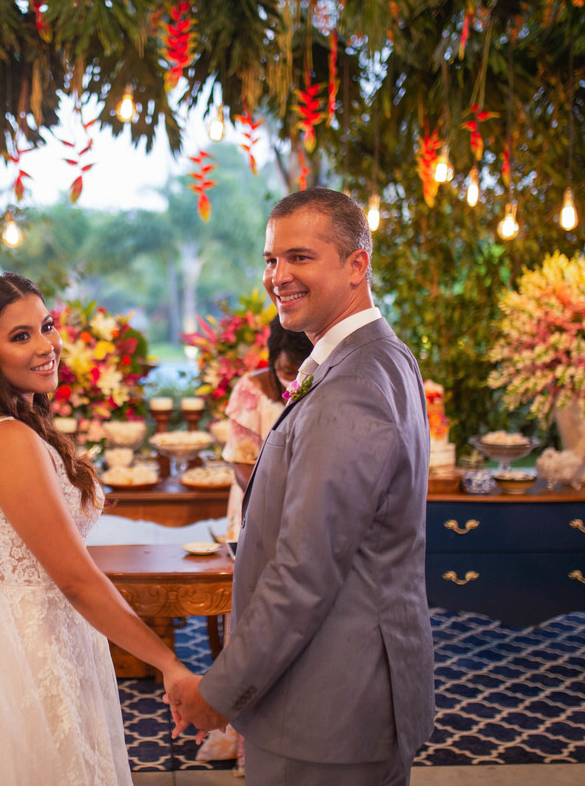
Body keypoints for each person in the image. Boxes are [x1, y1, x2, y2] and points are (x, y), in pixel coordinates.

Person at [169, 188, 435, 785]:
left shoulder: (355, 380)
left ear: (356, 264)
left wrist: (225, 689)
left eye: (300, 258)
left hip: (329, 703)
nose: (278, 276)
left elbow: (306, 566)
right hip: (344, 690)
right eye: (270, 260)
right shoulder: (376, 357)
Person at [0, 273, 194, 784]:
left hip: (13, 626)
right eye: (20, 336)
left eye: (46, 326)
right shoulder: (7, 439)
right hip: (27, 647)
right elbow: (75, 579)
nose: (47, 345)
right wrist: (168, 663)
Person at [221, 316, 313, 540]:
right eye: (288, 371)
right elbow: (241, 463)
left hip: (307, 508)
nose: (295, 382)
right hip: (259, 504)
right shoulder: (250, 391)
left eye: (303, 372)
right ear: (273, 360)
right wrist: (276, 505)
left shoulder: (320, 386)